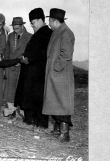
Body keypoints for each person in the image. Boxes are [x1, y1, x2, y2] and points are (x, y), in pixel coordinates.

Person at [14, 8, 52, 129]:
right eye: (31, 22)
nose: (32, 24)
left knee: (38, 97)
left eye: (33, 22)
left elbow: (43, 52)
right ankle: (29, 120)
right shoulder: (39, 32)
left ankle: (41, 123)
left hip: (38, 72)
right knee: (29, 95)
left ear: (41, 20)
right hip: (31, 71)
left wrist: (29, 59)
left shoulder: (47, 33)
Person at [43, 8, 75, 142]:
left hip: (60, 76)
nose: (49, 24)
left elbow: (66, 54)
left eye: (50, 21)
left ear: (55, 21)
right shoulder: (59, 31)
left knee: (62, 104)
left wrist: (56, 67)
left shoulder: (66, 33)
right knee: (56, 102)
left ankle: (64, 133)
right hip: (56, 75)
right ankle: (58, 129)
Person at [3, 17, 32, 119]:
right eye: (14, 28)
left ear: (22, 26)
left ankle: (25, 113)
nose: (15, 31)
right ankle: (11, 112)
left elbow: (30, 54)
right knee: (10, 91)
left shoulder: (29, 37)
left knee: (23, 91)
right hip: (11, 68)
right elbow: (7, 52)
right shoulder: (10, 36)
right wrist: (5, 66)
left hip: (22, 69)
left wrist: (22, 62)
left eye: (17, 29)